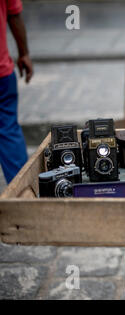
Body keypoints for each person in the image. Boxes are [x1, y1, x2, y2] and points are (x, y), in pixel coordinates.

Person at [0, 0, 32, 184]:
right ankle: (21, 193)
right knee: (8, 128)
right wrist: (24, 53)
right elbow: (14, 15)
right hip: (2, 72)